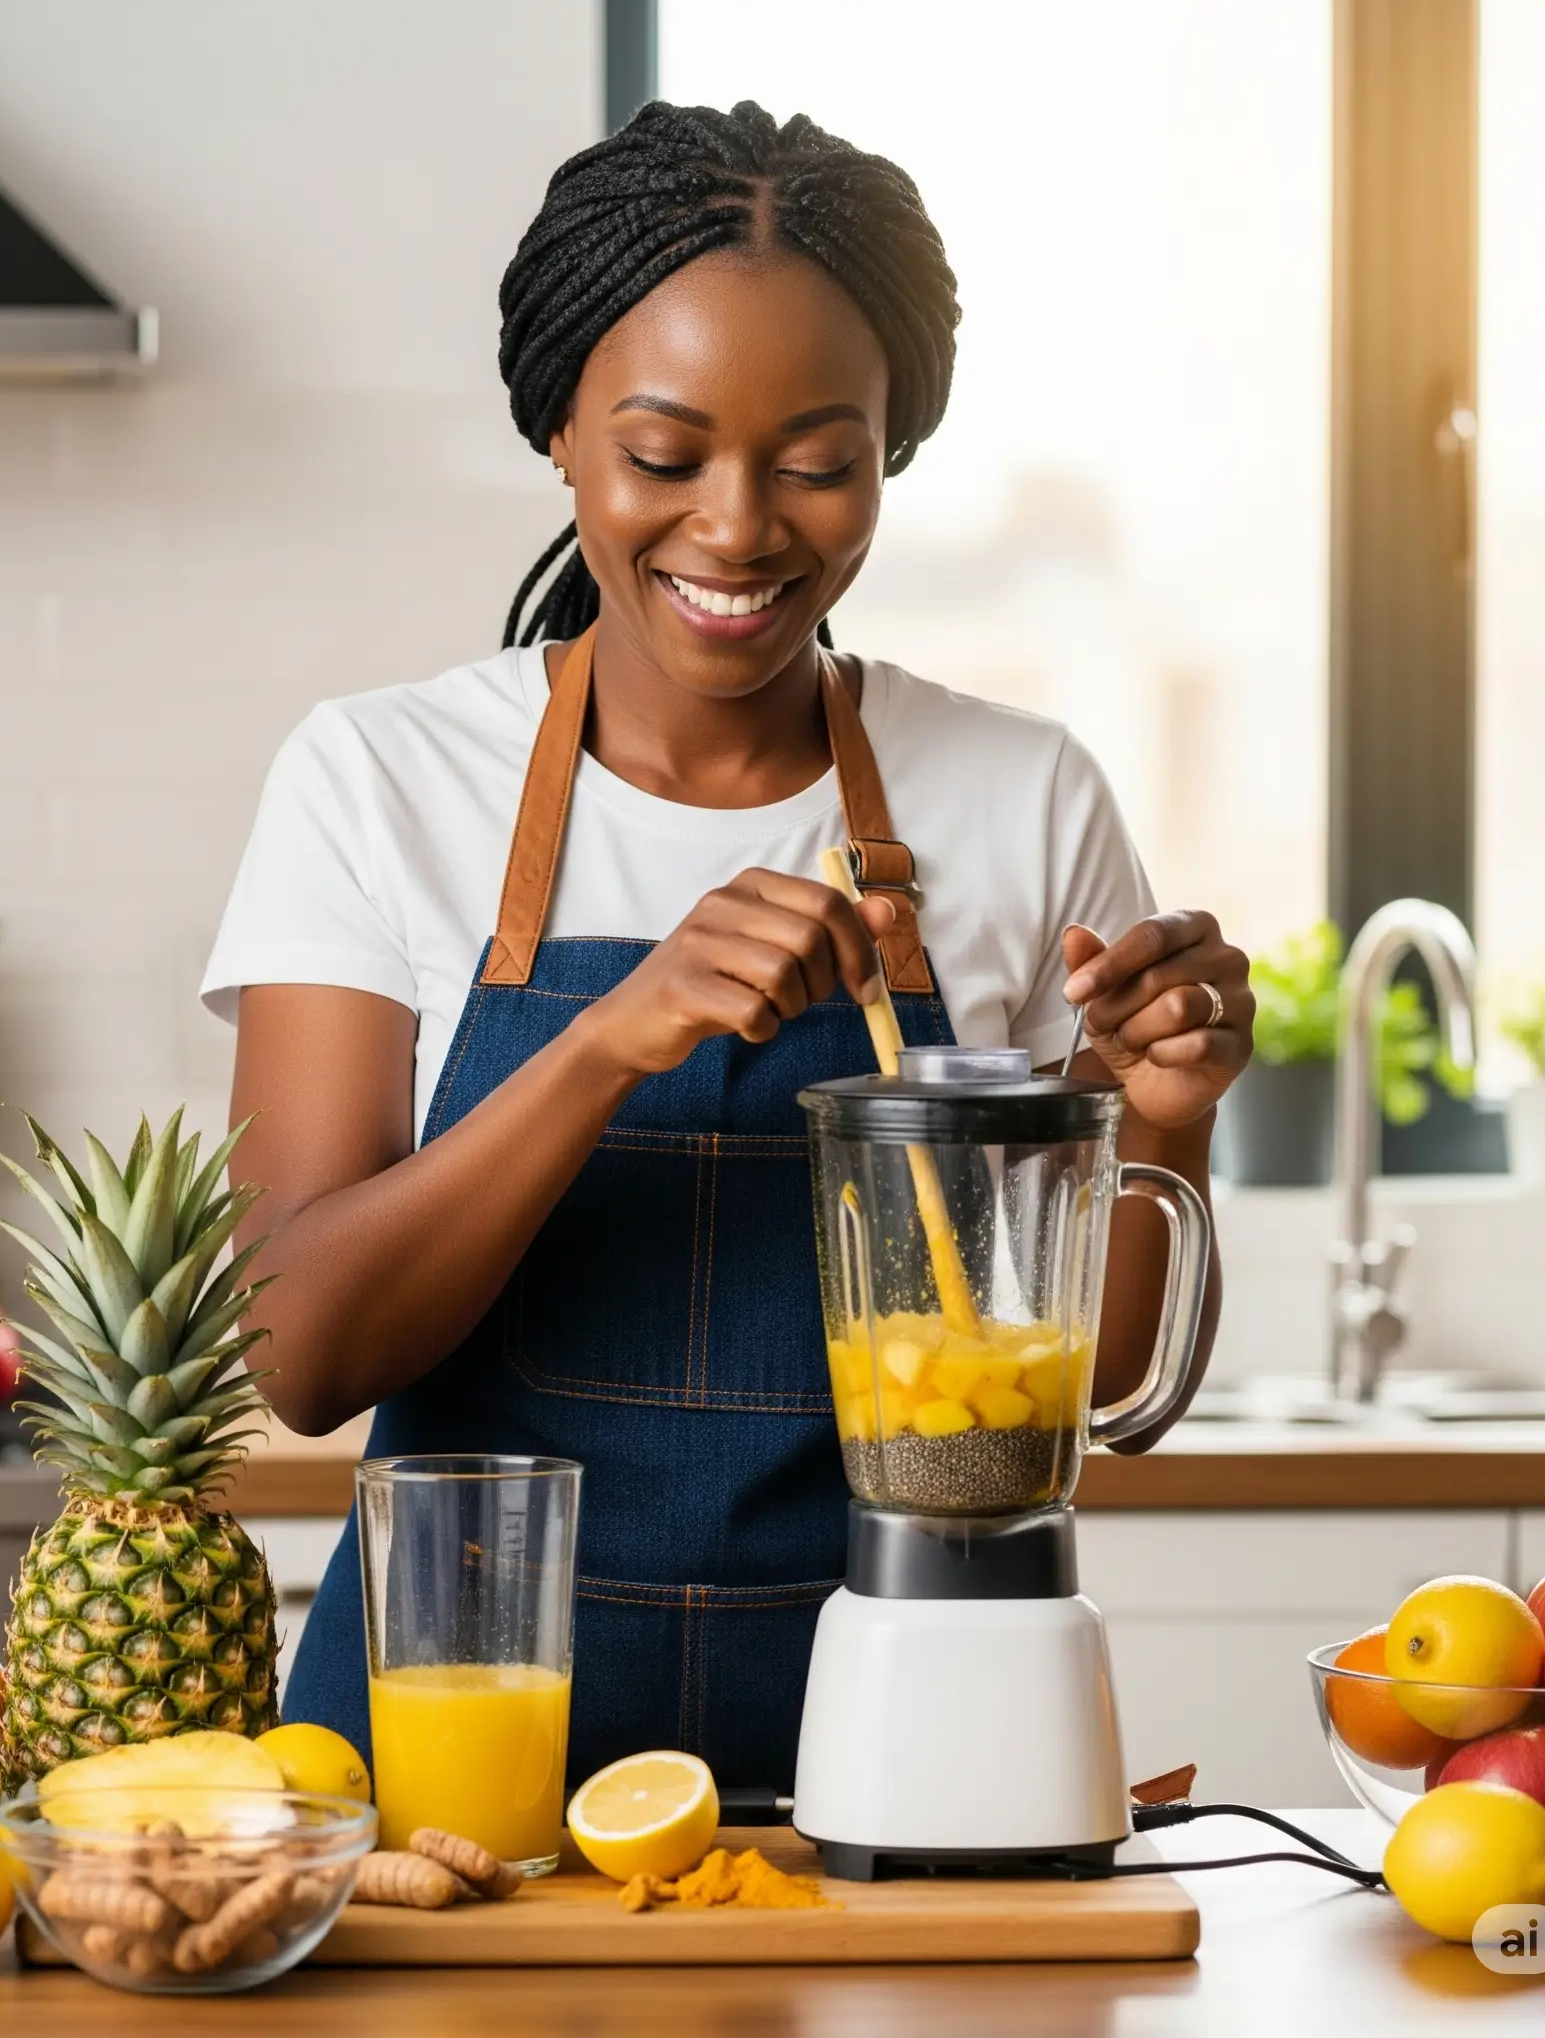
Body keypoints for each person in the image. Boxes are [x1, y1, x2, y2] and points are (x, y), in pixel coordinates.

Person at [203, 100, 1254, 1793]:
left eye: (818, 462)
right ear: (561, 430)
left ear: (890, 454)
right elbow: (301, 1356)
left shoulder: (1020, 795)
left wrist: (1168, 1108)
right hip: (446, 1807)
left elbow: (1089, 1386)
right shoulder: (380, 779)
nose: (744, 526)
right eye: (665, 454)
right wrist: (609, 1035)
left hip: (903, 1776)